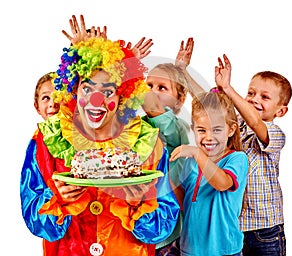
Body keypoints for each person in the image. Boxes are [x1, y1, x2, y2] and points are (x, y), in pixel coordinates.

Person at [20, 16, 180, 256]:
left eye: (108, 91)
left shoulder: (146, 141)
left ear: (122, 97)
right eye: (87, 88)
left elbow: (163, 226)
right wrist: (60, 200)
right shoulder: (47, 140)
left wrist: (138, 204)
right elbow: (35, 219)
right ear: (73, 90)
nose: (97, 100)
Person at [215, 54, 292, 256]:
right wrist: (221, 89)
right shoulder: (237, 126)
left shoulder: (276, 134)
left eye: (265, 97)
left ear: (281, 111)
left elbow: (256, 123)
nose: (254, 99)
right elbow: (212, 111)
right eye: (251, 93)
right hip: (236, 226)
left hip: (266, 228)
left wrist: (230, 91)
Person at [141, 37, 205, 256]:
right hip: (143, 222)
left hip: (168, 230)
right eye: (149, 85)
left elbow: (153, 109)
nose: (154, 91)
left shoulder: (176, 125)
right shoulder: (138, 125)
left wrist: (125, 69)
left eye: (162, 87)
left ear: (179, 101)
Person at [169, 90, 249, 256]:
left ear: (231, 130)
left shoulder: (237, 159)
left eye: (217, 130)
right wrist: (168, 179)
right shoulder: (190, 162)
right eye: (202, 130)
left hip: (225, 250)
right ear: (193, 129)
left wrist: (197, 154)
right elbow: (186, 203)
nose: (209, 137)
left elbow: (222, 183)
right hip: (190, 249)